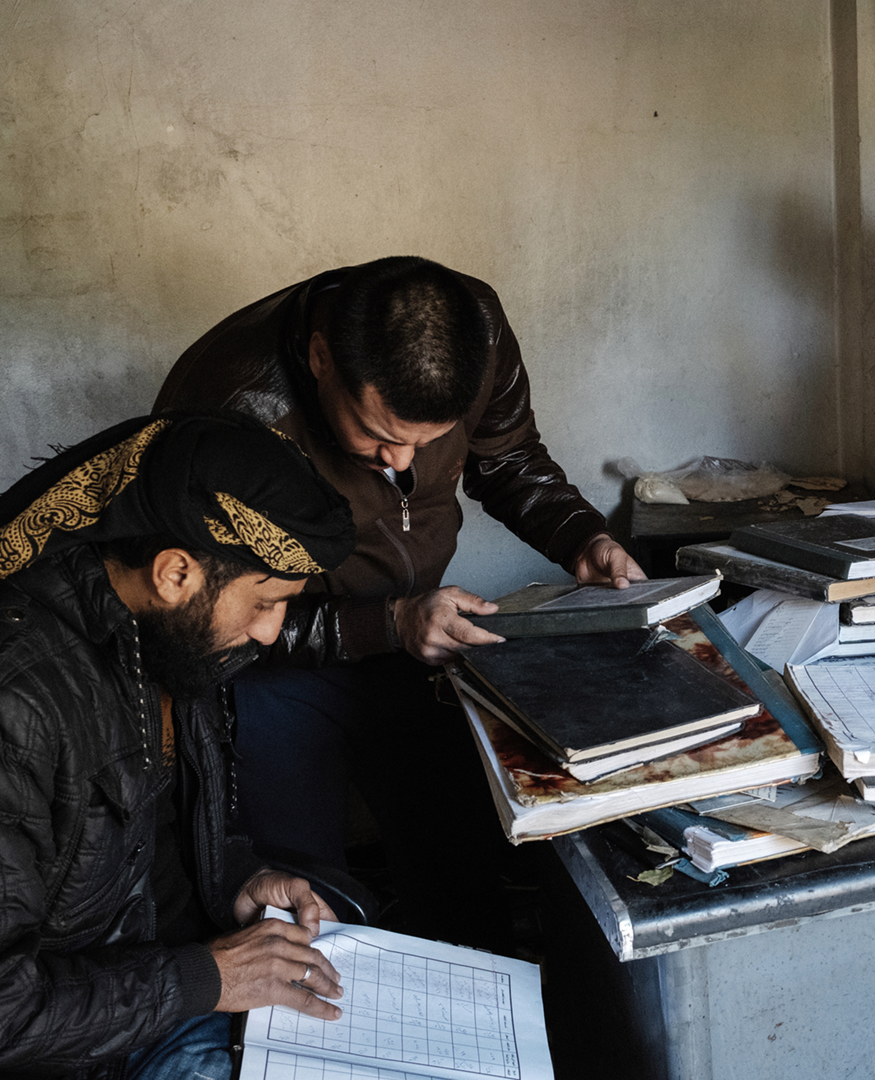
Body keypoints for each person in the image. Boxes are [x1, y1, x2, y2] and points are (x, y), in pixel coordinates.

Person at [154, 256, 645, 946]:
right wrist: (385, 623)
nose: (402, 465)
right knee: (304, 899)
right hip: (277, 666)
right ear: (321, 359)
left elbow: (509, 461)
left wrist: (580, 535)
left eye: (428, 440)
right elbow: (218, 616)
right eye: (379, 435)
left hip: (424, 642)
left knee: (459, 873)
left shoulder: (475, 334)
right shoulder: (233, 406)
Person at [0, 412, 358, 1077]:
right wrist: (206, 979)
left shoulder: (166, 642)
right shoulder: (18, 703)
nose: (271, 632)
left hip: (152, 1004)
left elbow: (139, 844)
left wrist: (238, 881)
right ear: (174, 573)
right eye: (266, 602)